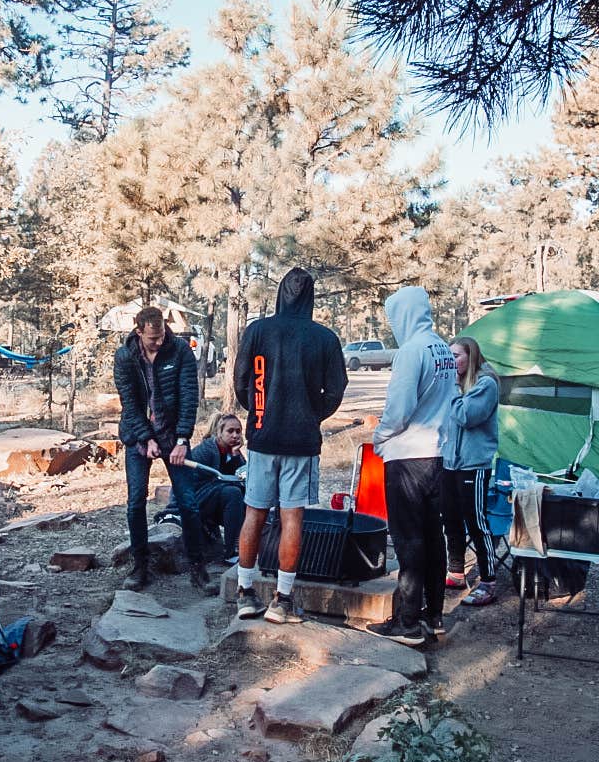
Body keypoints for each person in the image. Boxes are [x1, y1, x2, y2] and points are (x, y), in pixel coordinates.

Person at [232, 268, 348, 624]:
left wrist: (258, 413)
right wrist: (313, 416)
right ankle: (281, 601)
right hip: (301, 440)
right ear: (311, 297)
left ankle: (245, 593)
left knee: (255, 511)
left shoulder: (258, 331)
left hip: (263, 435)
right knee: (292, 516)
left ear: (280, 292)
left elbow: (240, 381)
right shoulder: (324, 338)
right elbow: (337, 389)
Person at [367, 286, 457, 646]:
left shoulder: (411, 351)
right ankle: (433, 615)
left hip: (408, 457)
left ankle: (406, 623)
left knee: (409, 540)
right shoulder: (442, 348)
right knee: (435, 538)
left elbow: (400, 407)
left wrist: (381, 436)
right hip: (439, 454)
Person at [112, 307, 209, 592]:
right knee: (135, 502)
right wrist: (146, 438)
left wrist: (182, 439)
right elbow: (129, 403)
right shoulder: (125, 356)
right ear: (138, 331)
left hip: (172, 435)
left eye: (162, 335)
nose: (158, 342)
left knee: (189, 503)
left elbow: (190, 396)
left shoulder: (179, 350)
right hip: (138, 435)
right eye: (152, 338)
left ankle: (197, 567)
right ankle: (140, 566)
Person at [441, 337, 502, 606]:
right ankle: (456, 571)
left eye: (457, 356)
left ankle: (488, 580)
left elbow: (467, 416)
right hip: (449, 462)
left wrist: (452, 387)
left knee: (476, 522)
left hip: (473, 465)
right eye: (450, 356)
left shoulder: (486, 384)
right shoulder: (456, 384)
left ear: (471, 357)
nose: (453, 361)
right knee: (451, 520)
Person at [187, 412, 248, 556]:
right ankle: (230, 551)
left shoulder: (232, 452)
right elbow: (197, 482)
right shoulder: (206, 450)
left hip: (214, 497)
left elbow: (241, 476)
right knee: (233, 493)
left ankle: (242, 544)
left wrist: (235, 455)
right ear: (219, 432)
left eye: (238, 431)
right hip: (196, 498)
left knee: (247, 494)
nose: (235, 435)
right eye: (230, 431)